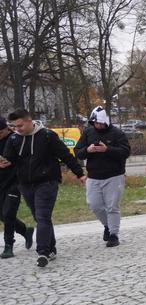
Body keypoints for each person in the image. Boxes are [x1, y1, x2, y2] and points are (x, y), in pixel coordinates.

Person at [0, 109, 86, 267]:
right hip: (25, 184)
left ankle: (43, 252)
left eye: (20, 125)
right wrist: (4, 163)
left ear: (29, 120)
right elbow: (9, 159)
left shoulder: (47, 136)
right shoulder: (13, 139)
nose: (17, 129)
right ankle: (51, 248)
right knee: (40, 217)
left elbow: (65, 155)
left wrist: (79, 174)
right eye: (14, 126)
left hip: (47, 182)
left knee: (42, 216)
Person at [74, 107, 130, 247]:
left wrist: (107, 149)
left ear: (105, 121)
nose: (97, 126)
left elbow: (125, 152)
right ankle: (107, 225)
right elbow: (77, 152)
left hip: (114, 176)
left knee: (112, 207)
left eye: (99, 123)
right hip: (93, 176)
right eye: (94, 123)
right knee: (94, 205)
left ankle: (113, 235)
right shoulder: (88, 132)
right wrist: (88, 150)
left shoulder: (117, 133)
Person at [0, 117, 33, 258]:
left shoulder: (15, 139)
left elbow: (25, 157)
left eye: (0, 132)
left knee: (8, 213)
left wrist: (11, 161)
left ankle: (8, 246)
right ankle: (25, 231)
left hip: (15, 182)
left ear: (7, 128)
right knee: (2, 215)